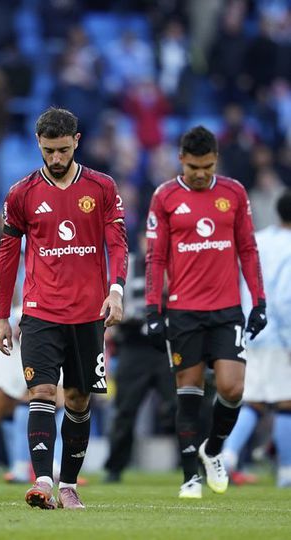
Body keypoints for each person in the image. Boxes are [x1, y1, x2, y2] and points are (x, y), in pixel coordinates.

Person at [0, 107, 128, 510]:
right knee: (41, 392)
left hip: (89, 313)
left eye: (63, 150)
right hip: (40, 311)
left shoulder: (102, 187)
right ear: (38, 142)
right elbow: (7, 255)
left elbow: (117, 242)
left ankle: (68, 485)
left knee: (78, 399)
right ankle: (42, 482)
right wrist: (3, 316)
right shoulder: (21, 193)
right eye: (49, 150)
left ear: (77, 142)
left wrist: (116, 291)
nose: (55, 158)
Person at [145, 125, 266, 499]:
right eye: (194, 167)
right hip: (183, 311)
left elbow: (248, 249)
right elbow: (155, 258)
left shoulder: (234, 193)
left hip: (226, 310)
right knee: (189, 392)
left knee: (233, 387)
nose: (200, 174)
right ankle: (189, 479)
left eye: (208, 167)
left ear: (216, 160)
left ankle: (212, 450)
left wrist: (259, 302)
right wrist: (153, 309)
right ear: (181, 159)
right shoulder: (164, 197)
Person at [220, 190, 291, 488]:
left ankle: (227, 456)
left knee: (253, 401)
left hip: (252, 330)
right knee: (285, 403)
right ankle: (286, 472)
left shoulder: (258, 239)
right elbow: (285, 298)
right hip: (280, 335)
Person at [104, 232, 176, 483]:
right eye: (149, 239)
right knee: (124, 410)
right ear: (142, 240)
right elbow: (112, 300)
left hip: (166, 345)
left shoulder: (174, 264)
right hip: (133, 345)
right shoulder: (128, 265)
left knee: (181, 406)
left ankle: (193, 464)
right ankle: (114, 468)